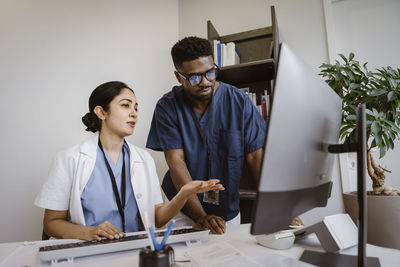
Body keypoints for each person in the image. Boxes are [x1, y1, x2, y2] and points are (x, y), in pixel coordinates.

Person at [34, 81, 224, 241]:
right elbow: (51, 224)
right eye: (125, 105)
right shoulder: (70, 159)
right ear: (101, 112)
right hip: (89, 252)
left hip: (134, 250)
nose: (134, 113)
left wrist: (183, 194)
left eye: (136, 108)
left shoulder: (144, 159)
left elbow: (157, 219)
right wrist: (90, 232)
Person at [146, 37, 266, 234]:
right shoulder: (167, 107)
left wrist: (274, 206)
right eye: (194, 77)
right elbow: (176, 161)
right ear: (179, 77)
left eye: (210, 73)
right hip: (184, 210)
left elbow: (255, 156)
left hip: (228, 210)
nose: (205, 82)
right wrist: (199, 215)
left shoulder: (238, 101)